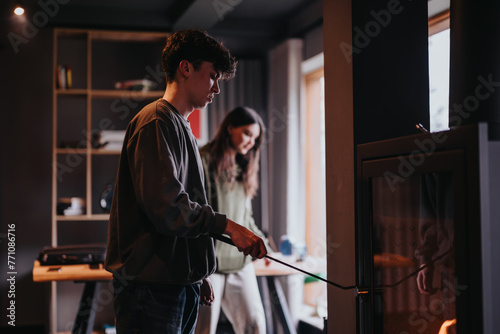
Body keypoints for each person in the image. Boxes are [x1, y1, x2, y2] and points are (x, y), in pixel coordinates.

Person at [104, 29, 267, 334]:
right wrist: (232, 228)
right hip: (150, 289)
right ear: (186, 68)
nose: (216, 88)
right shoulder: (155, 122)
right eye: (213, 76)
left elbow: (185, 213)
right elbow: (168, 209)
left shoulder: (184, 130)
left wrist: (194, 272)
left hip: (176, 283)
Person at [195, 106, 270, 334]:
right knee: (203, 331)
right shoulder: (204, 159)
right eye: (247, 134)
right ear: (230, 128)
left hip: (240, 263)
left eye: (255, 138)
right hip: (210, 265)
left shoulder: (246, 164)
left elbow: (244, 216)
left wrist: (264, 241)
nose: (251, 142)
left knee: (255, 326)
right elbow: (196, 214)